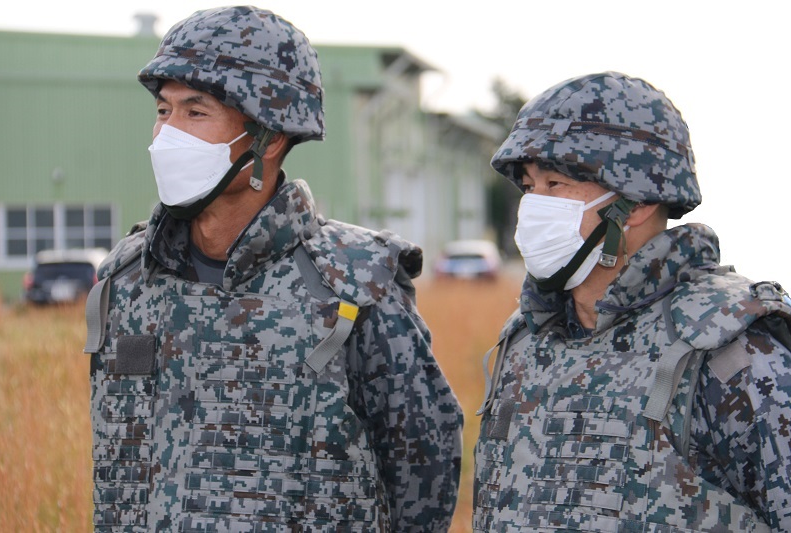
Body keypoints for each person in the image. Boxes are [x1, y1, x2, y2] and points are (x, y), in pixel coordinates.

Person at [83, 6, 462, 531]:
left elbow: (424, 469)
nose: (168, 134)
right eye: (164, 111)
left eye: (195, 113)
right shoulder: (125, 282)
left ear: (269, 135)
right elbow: (116, 472)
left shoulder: (358, 283)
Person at [472, 71, 791, 532]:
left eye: (556, 185)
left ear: (636, 203)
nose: (533, 206)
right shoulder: (526, 342)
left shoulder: (733, 353)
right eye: (528, 186)